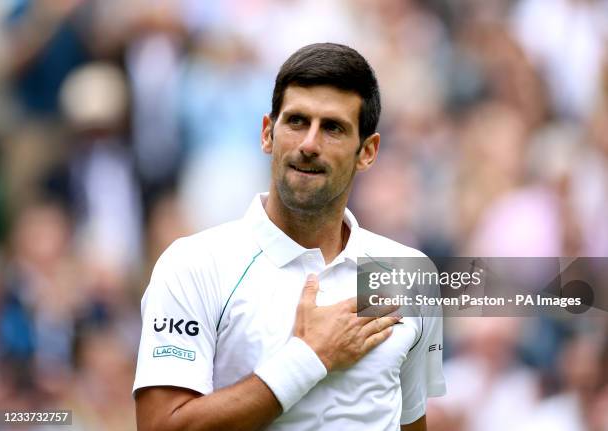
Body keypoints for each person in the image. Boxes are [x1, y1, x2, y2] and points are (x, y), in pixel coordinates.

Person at [133, 42, 445, 431]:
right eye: (297, 121)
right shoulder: (193, 265)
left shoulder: (409, 272)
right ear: (268, 134)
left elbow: (410, 421)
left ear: (367, 152)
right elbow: (161, 426)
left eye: (332, 128)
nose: (309, 144)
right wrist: (310, 356)